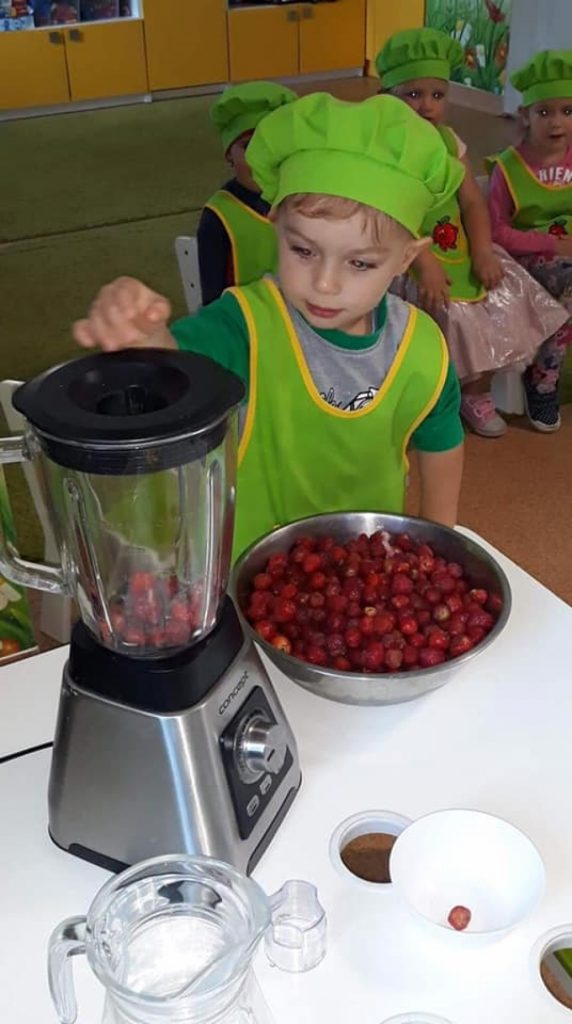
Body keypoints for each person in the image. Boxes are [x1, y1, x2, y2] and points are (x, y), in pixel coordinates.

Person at [73, 93, 465, 560]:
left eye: (360, 263)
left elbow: (441, 444)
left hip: (369, 579)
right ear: (276, 224)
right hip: (249, 575)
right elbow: (174, 372)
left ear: (405, 259)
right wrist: (143, 337)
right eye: (303, 250)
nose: (324, 283)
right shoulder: (242, 326)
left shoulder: (422, 349)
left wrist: (440, 550)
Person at [376, 29, 569, 438]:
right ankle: (424, 395)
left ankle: (474, 392)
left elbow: (472, 204)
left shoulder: (451, 143)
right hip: (406, 255)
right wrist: (424, 261)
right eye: (412, 94)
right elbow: (387, 214)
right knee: (427, 318)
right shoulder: (383, 149)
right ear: (385, 97)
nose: (426, 105)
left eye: (437, 94)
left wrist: (482, 250)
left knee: (495, 305)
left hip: (459, 249)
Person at [487, 50, 572, 431]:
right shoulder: (508, 167)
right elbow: (497, 231)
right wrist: (553, 246)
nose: (557, 122)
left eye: (567, 111)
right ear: (525, 115)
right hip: (528, 258)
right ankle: (542, 379)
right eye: (544, 112)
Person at [198, 81, 297, 305]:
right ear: (229, 155)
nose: (258, 157)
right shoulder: (218, 217)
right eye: (247, 146)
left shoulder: (301, 200)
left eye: (270, 145)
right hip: (243, 322)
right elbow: (212, 302)